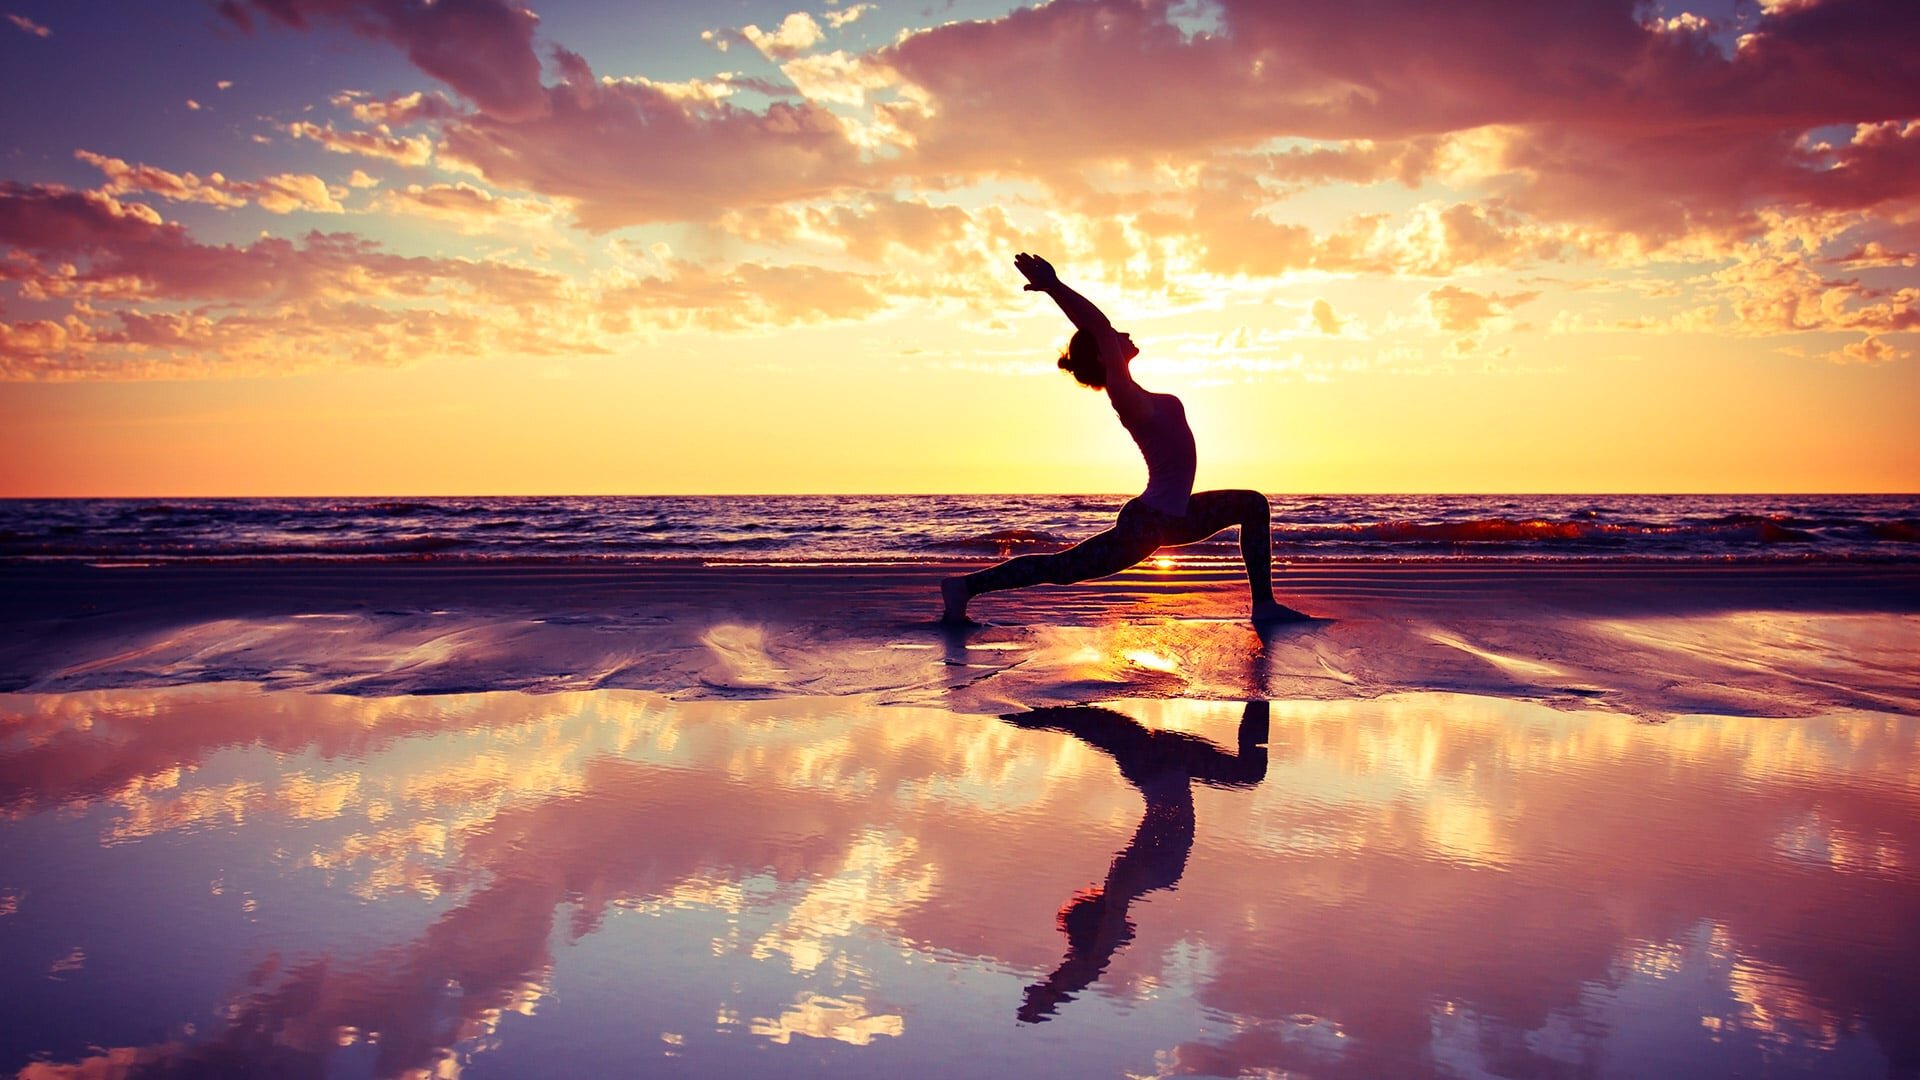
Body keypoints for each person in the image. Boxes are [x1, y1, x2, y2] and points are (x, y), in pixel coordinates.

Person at [941, 252, 1309, 625]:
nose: (1123, 334)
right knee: (1065, 568)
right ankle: (964, 587)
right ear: (1105, 357)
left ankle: (1264, 605)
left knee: (1252, 505)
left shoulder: (1138, 393)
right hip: (1148, 522)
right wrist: (1054, 287)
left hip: (1173, 516)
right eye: (1115, 337)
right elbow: (1099, 325)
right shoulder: (1127, 398)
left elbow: (1102, 330)